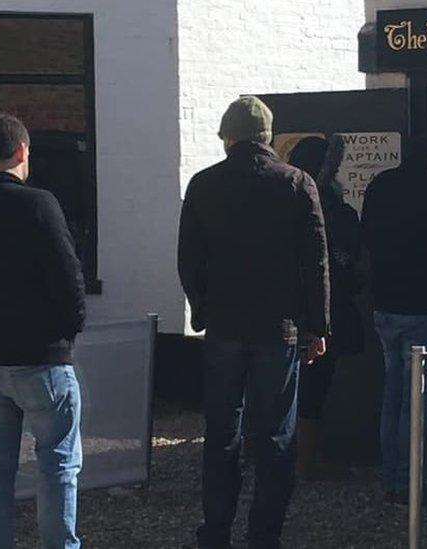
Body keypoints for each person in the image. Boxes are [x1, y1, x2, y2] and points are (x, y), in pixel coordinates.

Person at [178, 96, 329, 549]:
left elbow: (189, 259)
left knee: (222, 433)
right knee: (276, 437)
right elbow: (316, 262)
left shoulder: (204, 184)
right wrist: (316, 326)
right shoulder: (297, 184)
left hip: (225, 323)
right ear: (268, 138)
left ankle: (216, 532)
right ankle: (264, 535)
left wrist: (202, 309)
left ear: (228, 136)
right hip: (278, 327)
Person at [0, 113, 86, 548]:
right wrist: (70, 332)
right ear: (22, 152)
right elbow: (69, 279)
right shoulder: (39, 204)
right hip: (39, 356)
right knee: (57, 464)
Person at [361, 136, 427, 506]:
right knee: (418, 400)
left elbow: (367, 237)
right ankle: (409, 484)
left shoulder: (381, 185)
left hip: (385, 304)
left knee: (392, 394)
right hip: (426, 306)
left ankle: (391, 476)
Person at [288, 135, 364, 479]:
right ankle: (305, 463)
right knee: (314, 388)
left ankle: (287, 459)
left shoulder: (284, 200)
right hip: (321, 310)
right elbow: (346, 264)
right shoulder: (332, 210)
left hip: (285, 310)